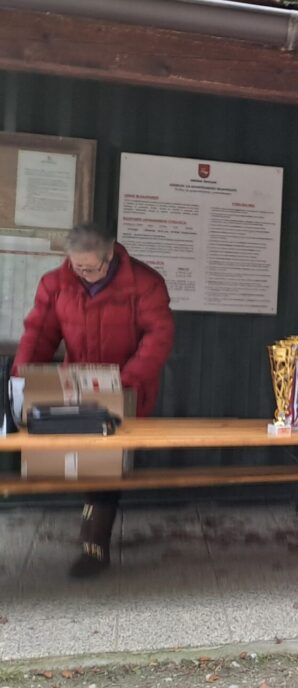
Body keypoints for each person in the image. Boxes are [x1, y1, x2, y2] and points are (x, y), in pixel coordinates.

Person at [13, 223, 174, 578]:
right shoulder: (57, 283)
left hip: (127, 390)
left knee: (106, 468)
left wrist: (122, 383)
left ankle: (94, 546)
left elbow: (158, 336)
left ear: (109, 256)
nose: (82, 275)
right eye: (77, 267)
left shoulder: (145, 284)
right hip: (76, 387)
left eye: (90, 268)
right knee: (87, 464)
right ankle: (92, 532)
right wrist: (21, 379)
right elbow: (38, 334)